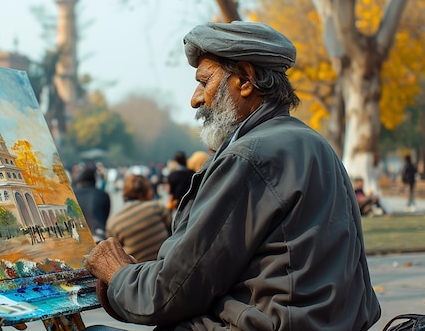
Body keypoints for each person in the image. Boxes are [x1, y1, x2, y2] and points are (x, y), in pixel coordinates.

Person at [84, 21, 381, 331]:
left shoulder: (249, 155)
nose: (196, 99)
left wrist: (116, 272)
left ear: (245, 79)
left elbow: (169, 294)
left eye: (204, 82)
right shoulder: (313, 143)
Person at [106, 174, 171, 262]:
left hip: (136, 271)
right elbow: (172, 232)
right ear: (147, 191)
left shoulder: (114, 223)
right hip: (164, 263)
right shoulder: (157, 207)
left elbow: (115, 253)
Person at [73, 165, 110, 243]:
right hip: (99, 237)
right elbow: (105, 216)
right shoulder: (103, 194)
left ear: (80, 182)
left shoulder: (72, 195)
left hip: (78, 237)